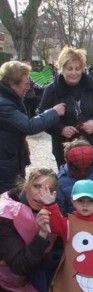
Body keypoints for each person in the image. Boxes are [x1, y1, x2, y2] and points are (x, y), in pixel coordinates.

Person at [0, 168, 63, 292]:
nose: (40, 194)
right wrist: (43, 233)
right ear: (26, 185)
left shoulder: (49, 207)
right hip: (4, 283)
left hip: (19, 279)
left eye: (47, 189)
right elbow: (20, 266)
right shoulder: (5, 214)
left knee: (63, 263)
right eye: (36, 186)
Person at [38, 46, 93, 168]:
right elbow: (42, 118)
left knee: (92, 183)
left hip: (91, 146)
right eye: (69, 68)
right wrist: (60, 129)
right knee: (68, 185)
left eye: (78, 68)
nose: (74, 72)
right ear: (62, 68)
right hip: (64, 148)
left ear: (83, 69)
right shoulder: (51, 90)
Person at [0, 61, 65, 193]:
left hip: (9, 158)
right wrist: (53, 112)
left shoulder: (9, 97)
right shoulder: (4, 104)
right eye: (26, 84)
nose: (28, 87)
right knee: (8, 198)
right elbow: (28, 126)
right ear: (13, 84)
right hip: (5, 163)